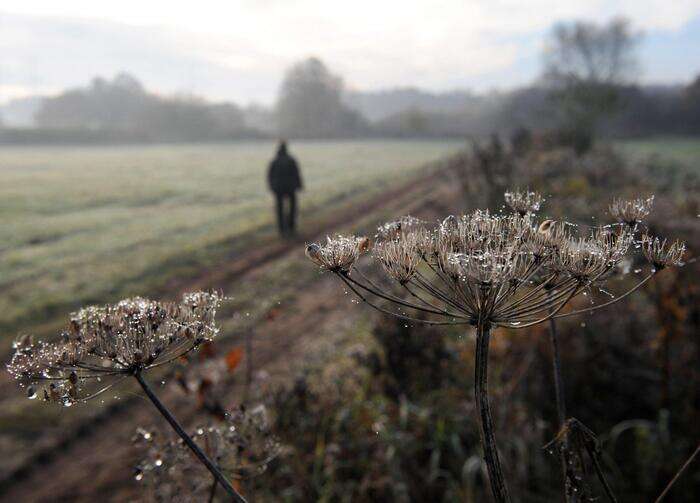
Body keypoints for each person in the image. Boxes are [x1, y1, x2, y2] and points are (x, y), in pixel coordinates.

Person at [267, 141, 303, 236]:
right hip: (290, 188)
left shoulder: (274, 161)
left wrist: (271, 187)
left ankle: (281, 229)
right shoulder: (291, 160)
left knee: (279, 209)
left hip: (278, 189)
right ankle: (291, 227)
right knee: (292, 208)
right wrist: (299, 185)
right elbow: (296, 174)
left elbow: (270, 176)